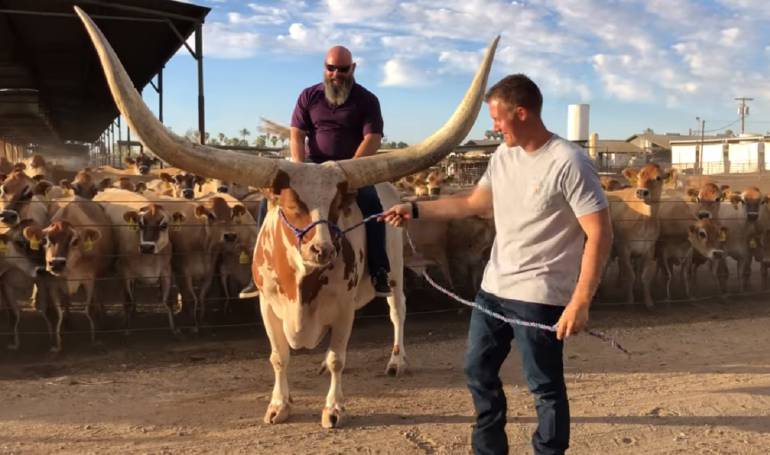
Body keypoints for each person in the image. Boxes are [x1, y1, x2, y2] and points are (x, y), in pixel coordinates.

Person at [381, 74, 612, 454]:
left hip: (540, 294)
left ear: (521, 113)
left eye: (497, 118)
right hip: (494, 289)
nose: (494, 127)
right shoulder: (504, 155)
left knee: (544, 386)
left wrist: (580, 301)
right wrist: (415, 209)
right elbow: (474, 203)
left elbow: (600, 234)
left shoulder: (569, 162)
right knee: (478, 370)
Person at [240, 45, 392, 298]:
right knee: (269, 204)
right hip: (313, 167)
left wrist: (350, 170)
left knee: (372, 204)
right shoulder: (309, 96)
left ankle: (379, 270)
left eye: (343, 69)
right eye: (331, 68)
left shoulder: (367, 99)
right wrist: (300, 170)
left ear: (353, 69)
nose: (336, 74)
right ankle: (260, 271)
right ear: (324, 67)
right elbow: (297, 135)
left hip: (350, 169)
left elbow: (372, 138)